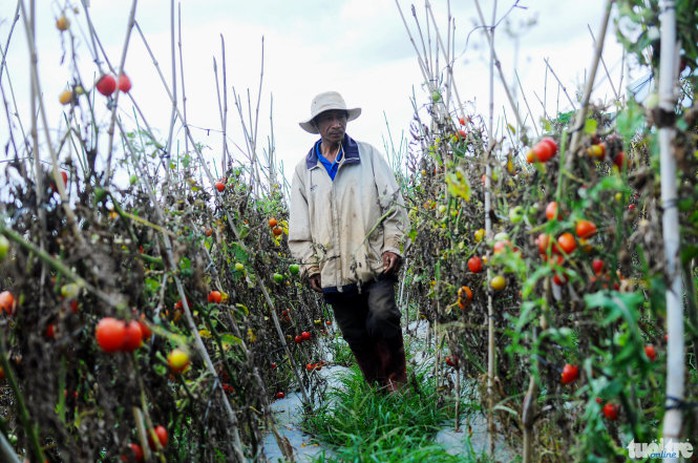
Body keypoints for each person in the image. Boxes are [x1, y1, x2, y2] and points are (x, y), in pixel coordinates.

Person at [288, 91, 409, 391]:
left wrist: (392, 243)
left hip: (373, 262)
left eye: (340, 117)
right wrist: (310, 265)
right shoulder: (305, 172)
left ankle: (399, 384)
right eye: (328, 118)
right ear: (316, 125)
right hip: (333, 271)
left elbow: (394, 205)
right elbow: (299, 229)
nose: (336, 123)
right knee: (355, 334)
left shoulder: (368, 157)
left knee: (383, 317)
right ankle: (377, 389)